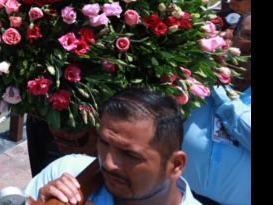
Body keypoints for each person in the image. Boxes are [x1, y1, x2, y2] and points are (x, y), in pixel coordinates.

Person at [25, 87, 201, 205]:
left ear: (176, 165)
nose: (108, 163)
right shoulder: (66, 173)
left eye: (129, 154)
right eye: (103, 142)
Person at [182, 14, 251, 205]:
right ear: (232, 37)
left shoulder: (212, 84)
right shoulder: (196, 80)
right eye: (248, 35)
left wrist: (219, 88)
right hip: (181, 197)